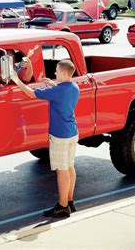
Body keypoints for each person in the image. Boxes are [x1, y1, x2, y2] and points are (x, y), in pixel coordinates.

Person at [11, 60, 79, 218]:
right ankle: (70, 202)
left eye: (56, 71)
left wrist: (16, 79)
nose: (54, 74)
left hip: (60, 135)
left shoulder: (57, 91)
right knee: (69, 167)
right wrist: (54, 85)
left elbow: (31, 93)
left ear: (63, 73)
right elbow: (62, 93)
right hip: (72, 132)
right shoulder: (74, 87)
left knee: (62, 171)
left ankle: (62, 207)